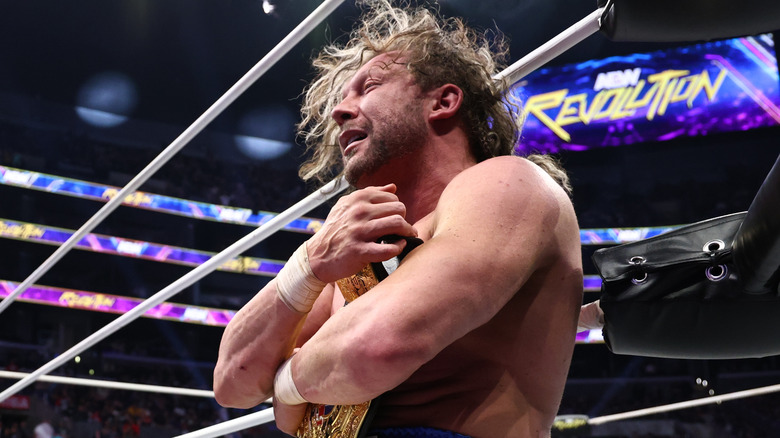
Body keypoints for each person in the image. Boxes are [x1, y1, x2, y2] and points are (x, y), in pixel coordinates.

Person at [213, 1, 583, 436]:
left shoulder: (509, 184)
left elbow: (375, 348)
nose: (340, 111)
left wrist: (285, 388)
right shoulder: (351, 249)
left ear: (443, 101)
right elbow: (232, 382)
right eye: (341, 98)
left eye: (368, 87)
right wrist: (308, 265)